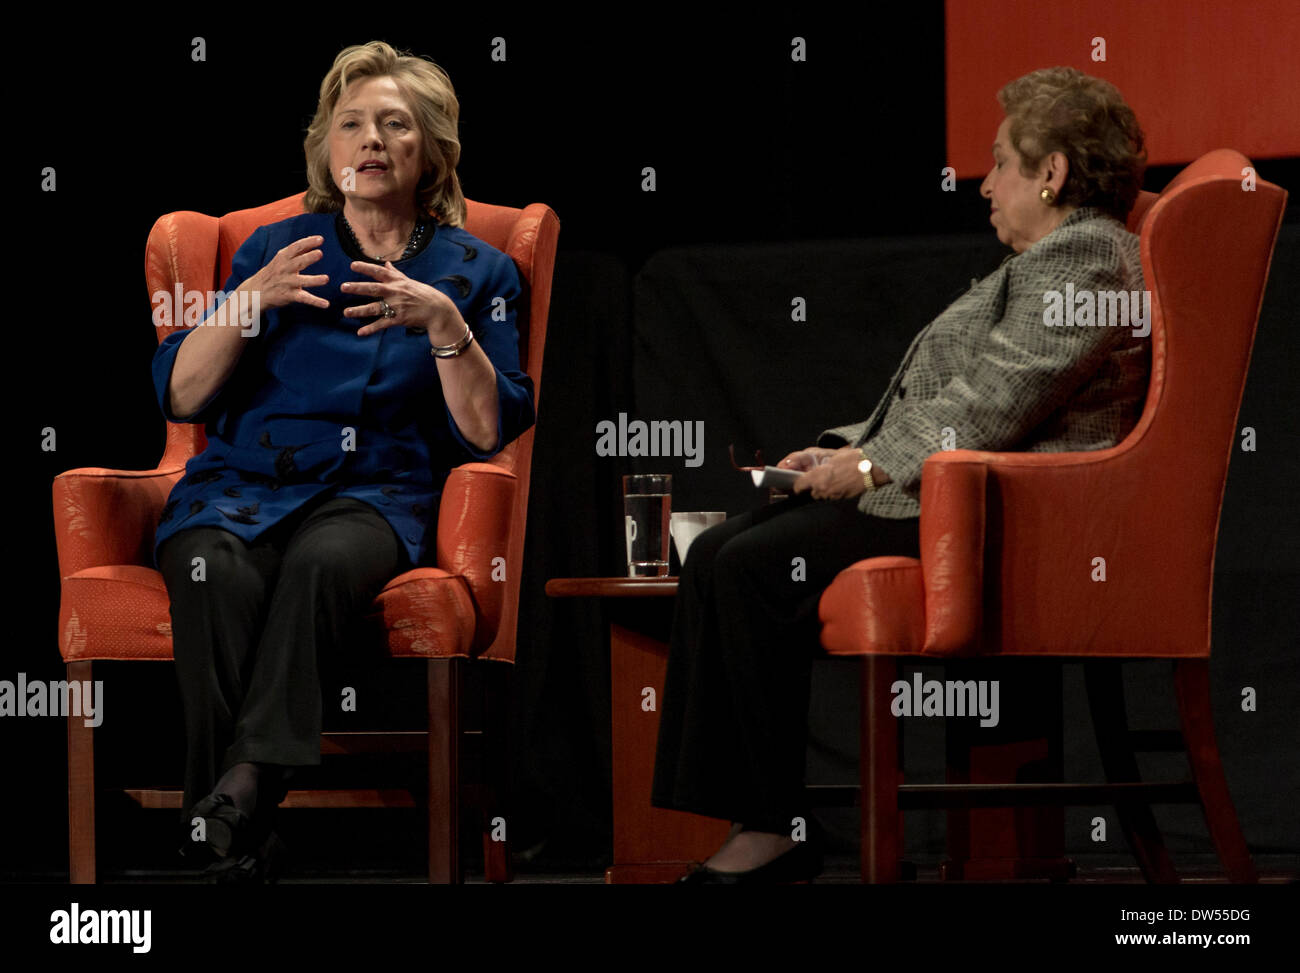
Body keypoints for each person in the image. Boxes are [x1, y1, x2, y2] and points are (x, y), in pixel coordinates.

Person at [651, 66, 1149, 883]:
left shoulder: (1088, 257)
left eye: (1000, 163)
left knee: (746, 564)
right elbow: (961, 392)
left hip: (1000, 505)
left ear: (1053, 172)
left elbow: (998, 398)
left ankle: (771, 828)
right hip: (952, 485)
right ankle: (758, 818)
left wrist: (872, 464)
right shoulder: (1051, 259)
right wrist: (842, 448)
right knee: (714, 555)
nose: (983, 185)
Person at [152, 41, 535, 881]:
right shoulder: (273, 248)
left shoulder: (478, 269)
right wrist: (246, 301)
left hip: (375, 493)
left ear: (431, 150)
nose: (369, 140)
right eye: (350, 124)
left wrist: (445, 326)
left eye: (394, 124)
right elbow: (182, 395)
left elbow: (483, 431)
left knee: (322, 563)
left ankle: (233, 798)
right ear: (327, 147)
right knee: (210, 571)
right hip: (240, 487)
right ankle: (235, 824)